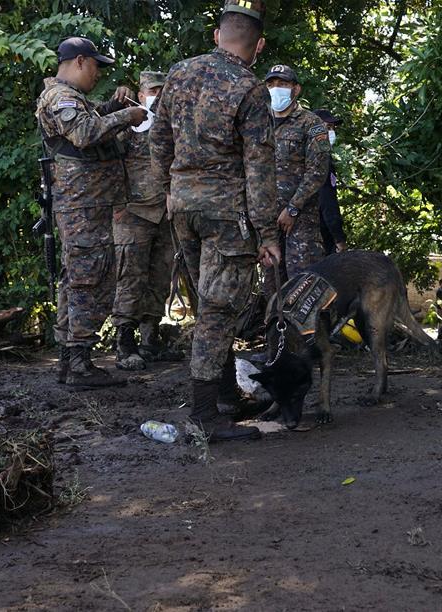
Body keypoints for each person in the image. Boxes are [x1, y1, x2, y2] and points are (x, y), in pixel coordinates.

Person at [149, 0, 279, 441]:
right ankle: (205, 414)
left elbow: (158, 138)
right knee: (220, 309)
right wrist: (266, 232)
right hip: (227, 213)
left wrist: (169, 188)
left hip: (182, 205)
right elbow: (259, 167)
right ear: (257, 46)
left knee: (208, 302)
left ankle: (226, 394)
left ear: (215, 35)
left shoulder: (179, 73)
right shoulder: (249, 87)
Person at [35, 37, 148, 387]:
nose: (98, 73)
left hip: (90, 206)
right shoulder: (60, 97)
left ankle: (72, 360)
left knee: (80, 277)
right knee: (88, 278)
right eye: (96, 66)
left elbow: (89, 118)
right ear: (80, 61)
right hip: (82, 208)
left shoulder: (73, 98)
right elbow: (84, 133)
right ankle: (80, 363)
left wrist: (112, 106)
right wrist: (126, 115)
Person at [112, 70, 181, 370]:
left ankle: (150, 339)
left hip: (166, 213)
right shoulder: (128, 124)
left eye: (162, 90)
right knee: (130, 277)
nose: (158, 96)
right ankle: (124, 342)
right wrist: (116, 203)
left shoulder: (173, 125)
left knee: (160, 276)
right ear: (140, 95)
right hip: (132, 213)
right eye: (152, 91)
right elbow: (110, 164)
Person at [265, 64, 331, 287]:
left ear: (296, 89)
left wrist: (293, 208)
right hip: (267, 222)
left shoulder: (312, 124)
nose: (276, 88)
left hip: (300, 223)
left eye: (283, 84)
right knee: (271, 286)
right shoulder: (258, 123)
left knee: (303, 286)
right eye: (271, 84)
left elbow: (317, 172)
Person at [313, 108, 347, 255]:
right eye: (327, 128)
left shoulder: (298, 158)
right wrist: (339, 239)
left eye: (332, 128)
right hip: (317, 240)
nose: (331, 133)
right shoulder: (321, 161)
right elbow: (328, 204)